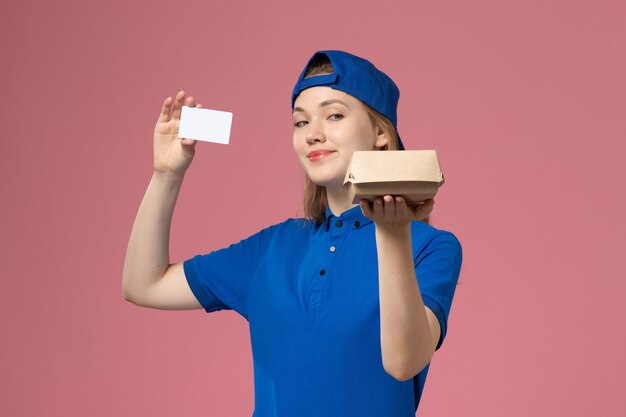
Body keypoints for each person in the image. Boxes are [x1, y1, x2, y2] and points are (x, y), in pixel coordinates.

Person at [123, 50, 463, 417]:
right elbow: (144, 284)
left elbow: (403, 362)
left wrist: (392, 233)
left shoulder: (431, 248)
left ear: (381, 132)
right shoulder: (273, 248)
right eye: (300, 122)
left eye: (334, 115)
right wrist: (166, 176)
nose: (313, 134)